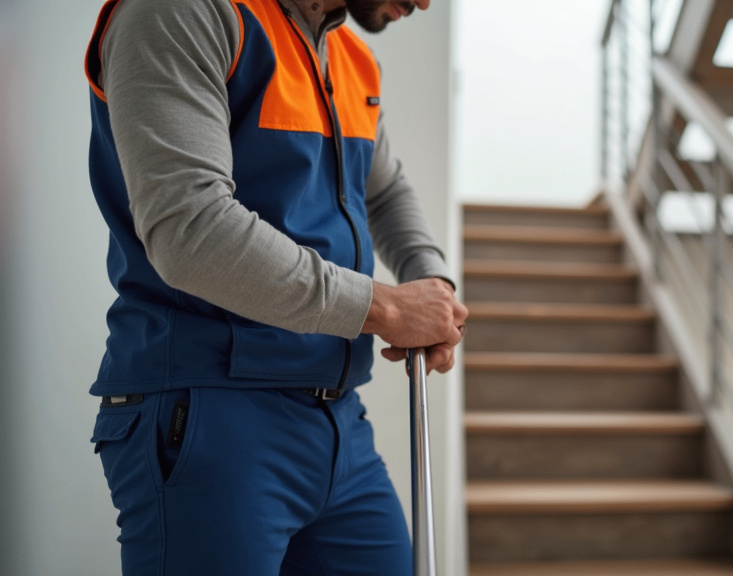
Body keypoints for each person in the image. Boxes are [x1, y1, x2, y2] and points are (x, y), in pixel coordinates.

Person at [84, 0, 468, 573]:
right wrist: (384, 307)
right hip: (208, 414)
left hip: (338, 424)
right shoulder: (182, 11)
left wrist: (430, 280)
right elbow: (192, 231)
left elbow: (384, 192)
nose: (425, 3)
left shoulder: (351, 60)